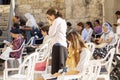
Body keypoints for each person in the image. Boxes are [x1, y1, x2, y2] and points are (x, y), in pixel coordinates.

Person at [46, 8, 68, 74]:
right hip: (63, 44)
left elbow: (51, 33)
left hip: (57, 44)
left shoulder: (56, 21)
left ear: (52, 15)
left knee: (56, 68)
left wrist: (51, 24)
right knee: (62, 66)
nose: (48, 18)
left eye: (48, 17)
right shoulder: (63, 21)